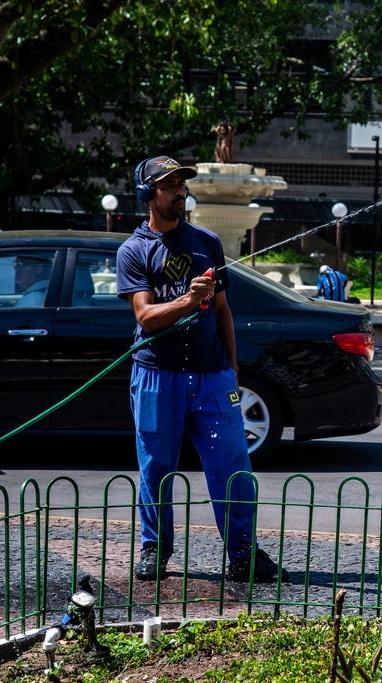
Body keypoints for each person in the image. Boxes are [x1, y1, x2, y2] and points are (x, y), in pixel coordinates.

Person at [116, 155, 287, 584]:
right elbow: (146, 316)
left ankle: (243, 554)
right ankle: (155, 549)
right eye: (170, 185)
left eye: (182, 183)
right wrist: (189, 300)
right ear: (148, 194)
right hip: (157, 376)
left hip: (212, 378)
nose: (181, 191)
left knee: (233, 467)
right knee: (156, 466)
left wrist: (230, 369)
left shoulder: (207, 242)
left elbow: (224, 309)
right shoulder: (133, 251)